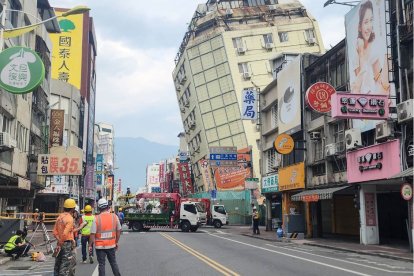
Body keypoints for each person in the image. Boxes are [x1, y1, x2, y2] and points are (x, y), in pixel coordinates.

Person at [351, 0, 389, 94]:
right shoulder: (356, 52)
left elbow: (378, 76)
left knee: (387, 57)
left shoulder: (374, 45)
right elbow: (360, 82)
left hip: (375, 96)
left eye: (371, 20)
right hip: (361, 97)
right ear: (360, 27)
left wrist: (385, 88)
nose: (369, 26)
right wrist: (361, 52)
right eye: (366, 22)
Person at [89, 198, 121, 276]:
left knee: (101, 265)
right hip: (111, 245)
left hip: (100, 247)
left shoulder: (96, 218)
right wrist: (116, 242)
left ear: (99, 208)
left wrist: (90, 245)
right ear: (107, 206)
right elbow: (119, 230)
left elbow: (92, 234)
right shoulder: (114, 217)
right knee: (113, 263)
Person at [53, 198, 76, 276]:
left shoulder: (59, 217)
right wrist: (62, 241)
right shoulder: (70, 218)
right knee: (64, 265)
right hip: (66, 243)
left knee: (57, 264)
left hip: (59, 243)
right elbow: (65, 233)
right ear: (73, 208)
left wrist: (59, 241)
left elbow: (54, 232)